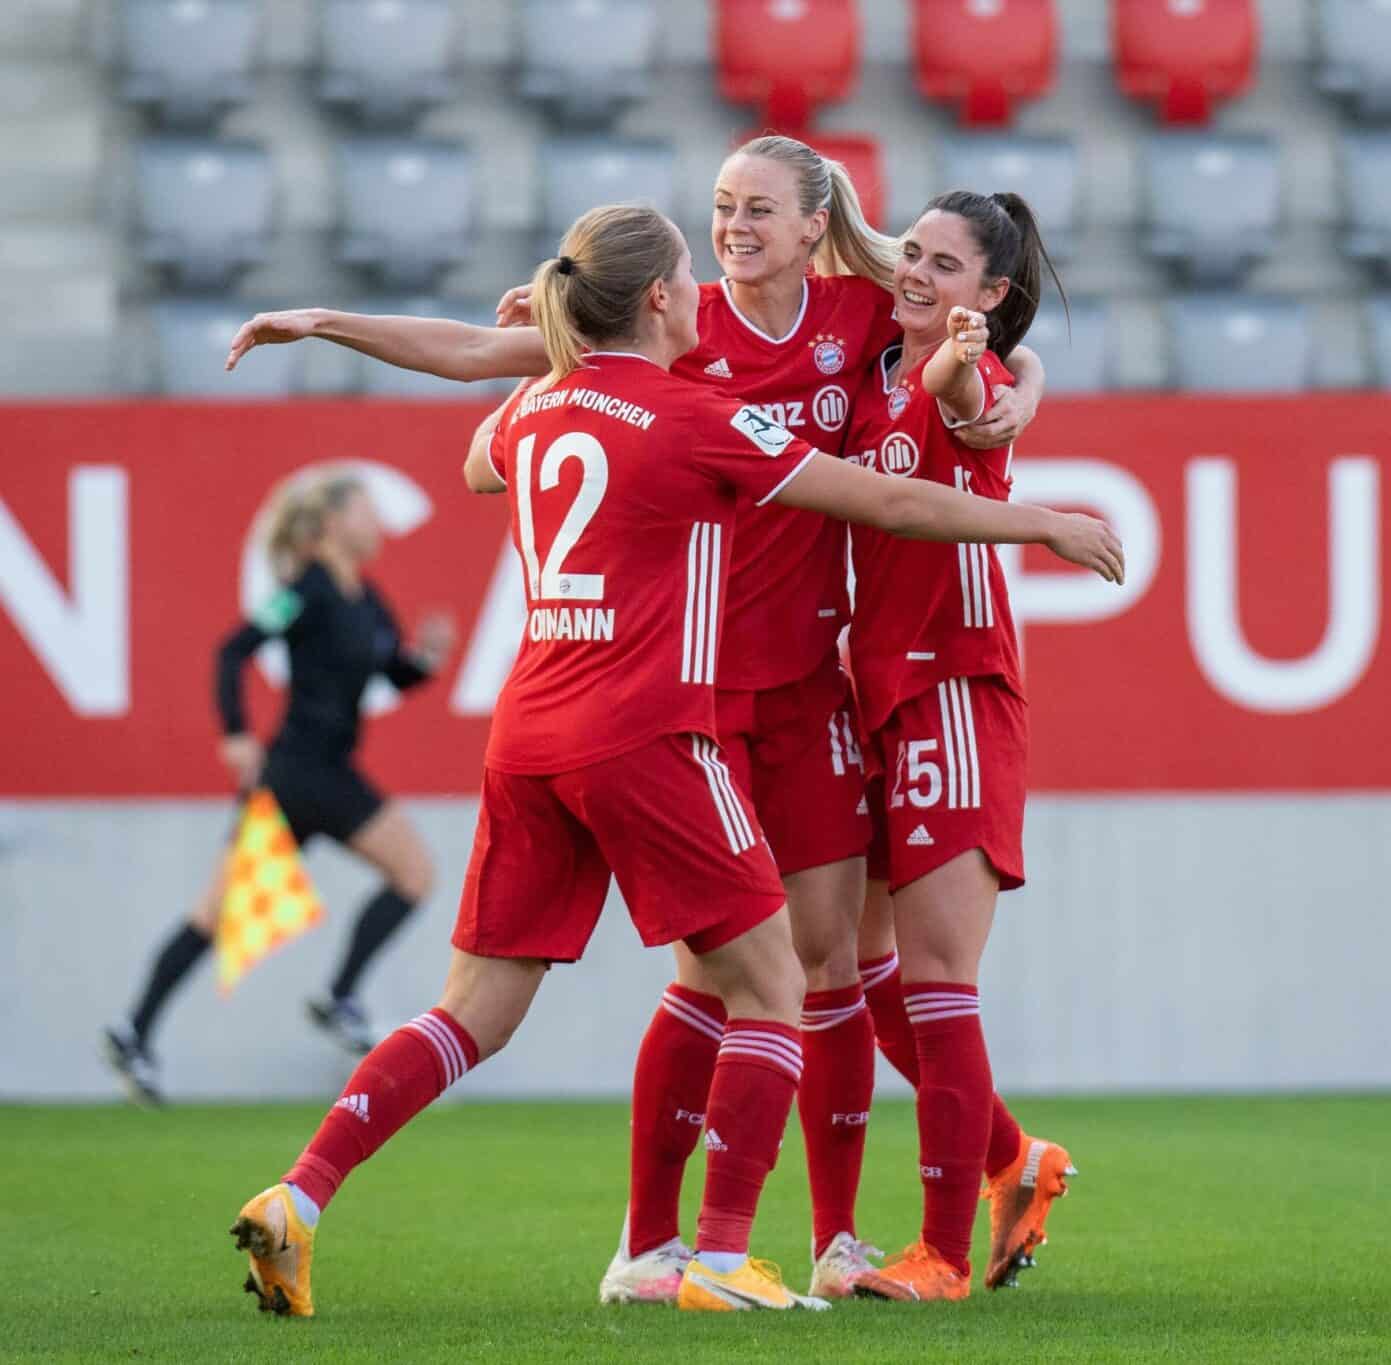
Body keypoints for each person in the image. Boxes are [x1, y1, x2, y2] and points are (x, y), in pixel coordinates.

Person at [227, 202, 1122, 1319]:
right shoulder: (699, 412)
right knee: (780, 984)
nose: (724, 252)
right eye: (706, 237)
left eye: (754, 211)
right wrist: (1039, 522)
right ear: (660, 299)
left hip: (527, 735)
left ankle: (302, 1195)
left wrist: (320, 321)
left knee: (475, 1011)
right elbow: (884, 498)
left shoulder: (538, 406)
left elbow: (472, 435)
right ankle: (714, 1256)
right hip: (653, 729)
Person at [825, 189, 1074, 1303]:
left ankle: (940, 1255)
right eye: (909, 251)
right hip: (871, 692)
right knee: (865, 974)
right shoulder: (874, 355)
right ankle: (1016, 1159)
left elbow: (967, 395)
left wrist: (986, 368)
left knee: (933, 980)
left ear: (990, 295)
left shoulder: (967, 377)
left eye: (942, 263)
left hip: (954, 690)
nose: (914, 273)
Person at [100, 474, 452, 1103]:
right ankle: (145, 1031)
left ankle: (328, 998)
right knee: (225, 912)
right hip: (295, 774)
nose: (379, 523)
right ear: (334, 522)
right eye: (368, 511)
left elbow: (386, 673)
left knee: (406, 877)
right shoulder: (306, 590)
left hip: (328, 775)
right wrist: (235, 732)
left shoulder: (366, 599)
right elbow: (232, 651)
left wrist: (422, 660)